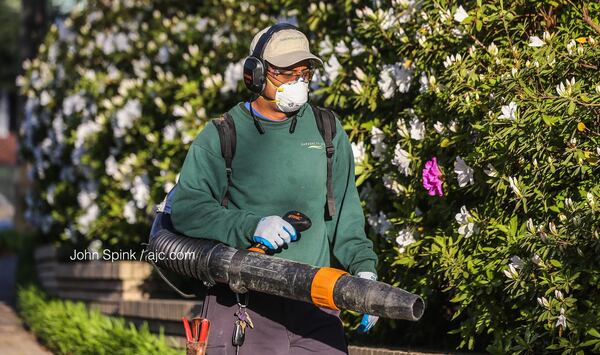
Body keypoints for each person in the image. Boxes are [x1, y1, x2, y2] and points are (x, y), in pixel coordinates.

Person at [169, 23, 379, 355]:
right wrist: (250, 225)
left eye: (305, 71)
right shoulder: (222, 135)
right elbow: (186, 209)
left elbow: (345, 217)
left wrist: (365, 273)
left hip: (315, 302)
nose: (298, 82)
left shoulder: (327, 131)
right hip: (244, 306)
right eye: (285, 73)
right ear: (255, 74)